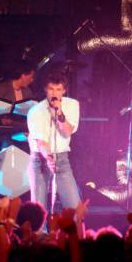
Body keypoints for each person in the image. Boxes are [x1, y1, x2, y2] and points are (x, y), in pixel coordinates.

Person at [27, 73, 81, 213]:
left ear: (64, 90)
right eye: (51, 89)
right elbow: (41, 141)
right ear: (46, 89)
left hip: (62, 159)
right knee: (38, 213)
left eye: (58, 89)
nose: (54, 93)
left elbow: (67, 132)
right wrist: (49, 158)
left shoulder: (72, 105)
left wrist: (60, 113)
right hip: (40, 160)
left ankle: (77, 234)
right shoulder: (36, 111)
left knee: (75, 209)